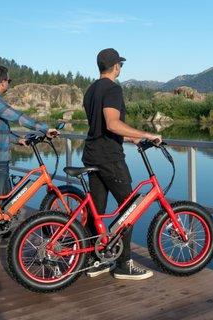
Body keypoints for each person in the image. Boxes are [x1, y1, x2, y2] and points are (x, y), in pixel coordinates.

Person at [82, 48, 162, 280]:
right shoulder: (113, 88)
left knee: (96, 210)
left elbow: (101, 126)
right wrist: (147, 135)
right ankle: (123, 263)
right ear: (116, 66)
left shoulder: (91, 90)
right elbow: (112, 124)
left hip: (92, 153)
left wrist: (131, 137)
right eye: (120, 65)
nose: (121, 69)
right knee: (130, 208)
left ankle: (95, 259)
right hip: (109, 157)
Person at [0, 65, 59, 219]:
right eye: (9, 80)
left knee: (4, 201)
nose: (9, 83)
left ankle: (2, 231)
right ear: (2, 82)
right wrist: (44, 129)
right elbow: (17, 117)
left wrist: (18, 140)